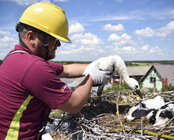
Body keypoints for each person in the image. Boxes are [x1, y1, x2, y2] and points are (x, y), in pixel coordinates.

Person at [0, 2, 111, 139]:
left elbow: (67, 70)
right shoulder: (34, 68)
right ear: (31, 37)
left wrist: (97, 66)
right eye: (54, 39)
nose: (58, 44)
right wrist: (92, 78)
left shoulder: (17, 57)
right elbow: (74, 104)